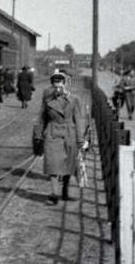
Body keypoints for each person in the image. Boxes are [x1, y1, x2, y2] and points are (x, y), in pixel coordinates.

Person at [36, 72, 88, 205]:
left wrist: (81, 139)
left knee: (68, 165)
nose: (57, 88)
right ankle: (54, 194)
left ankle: (64, 191)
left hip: (70, 134)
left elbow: (79, 120)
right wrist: (38, 136)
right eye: (55, 85)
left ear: (65, 85)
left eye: (60, 84)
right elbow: (42, 118)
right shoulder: (47, 100)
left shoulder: (74, 99)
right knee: (52, 164)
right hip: (52, 134)